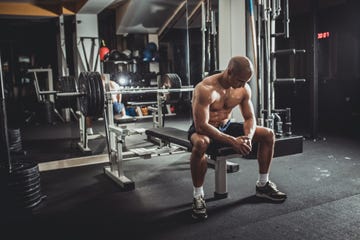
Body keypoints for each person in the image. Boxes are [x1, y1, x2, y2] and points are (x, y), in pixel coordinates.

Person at [188, 56, 287, 220]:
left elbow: (250, 118)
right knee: (201, 143)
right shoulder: (205, 88)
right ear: (229, 72)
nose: (243, 85)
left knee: (268, 134)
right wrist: (233, 141)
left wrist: (247, 137)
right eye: (240, 80)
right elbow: (201, 126)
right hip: (205, 129)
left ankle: (263, 185)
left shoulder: (243, 89)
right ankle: (198, 196)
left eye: (246, 81)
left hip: (226, 126)